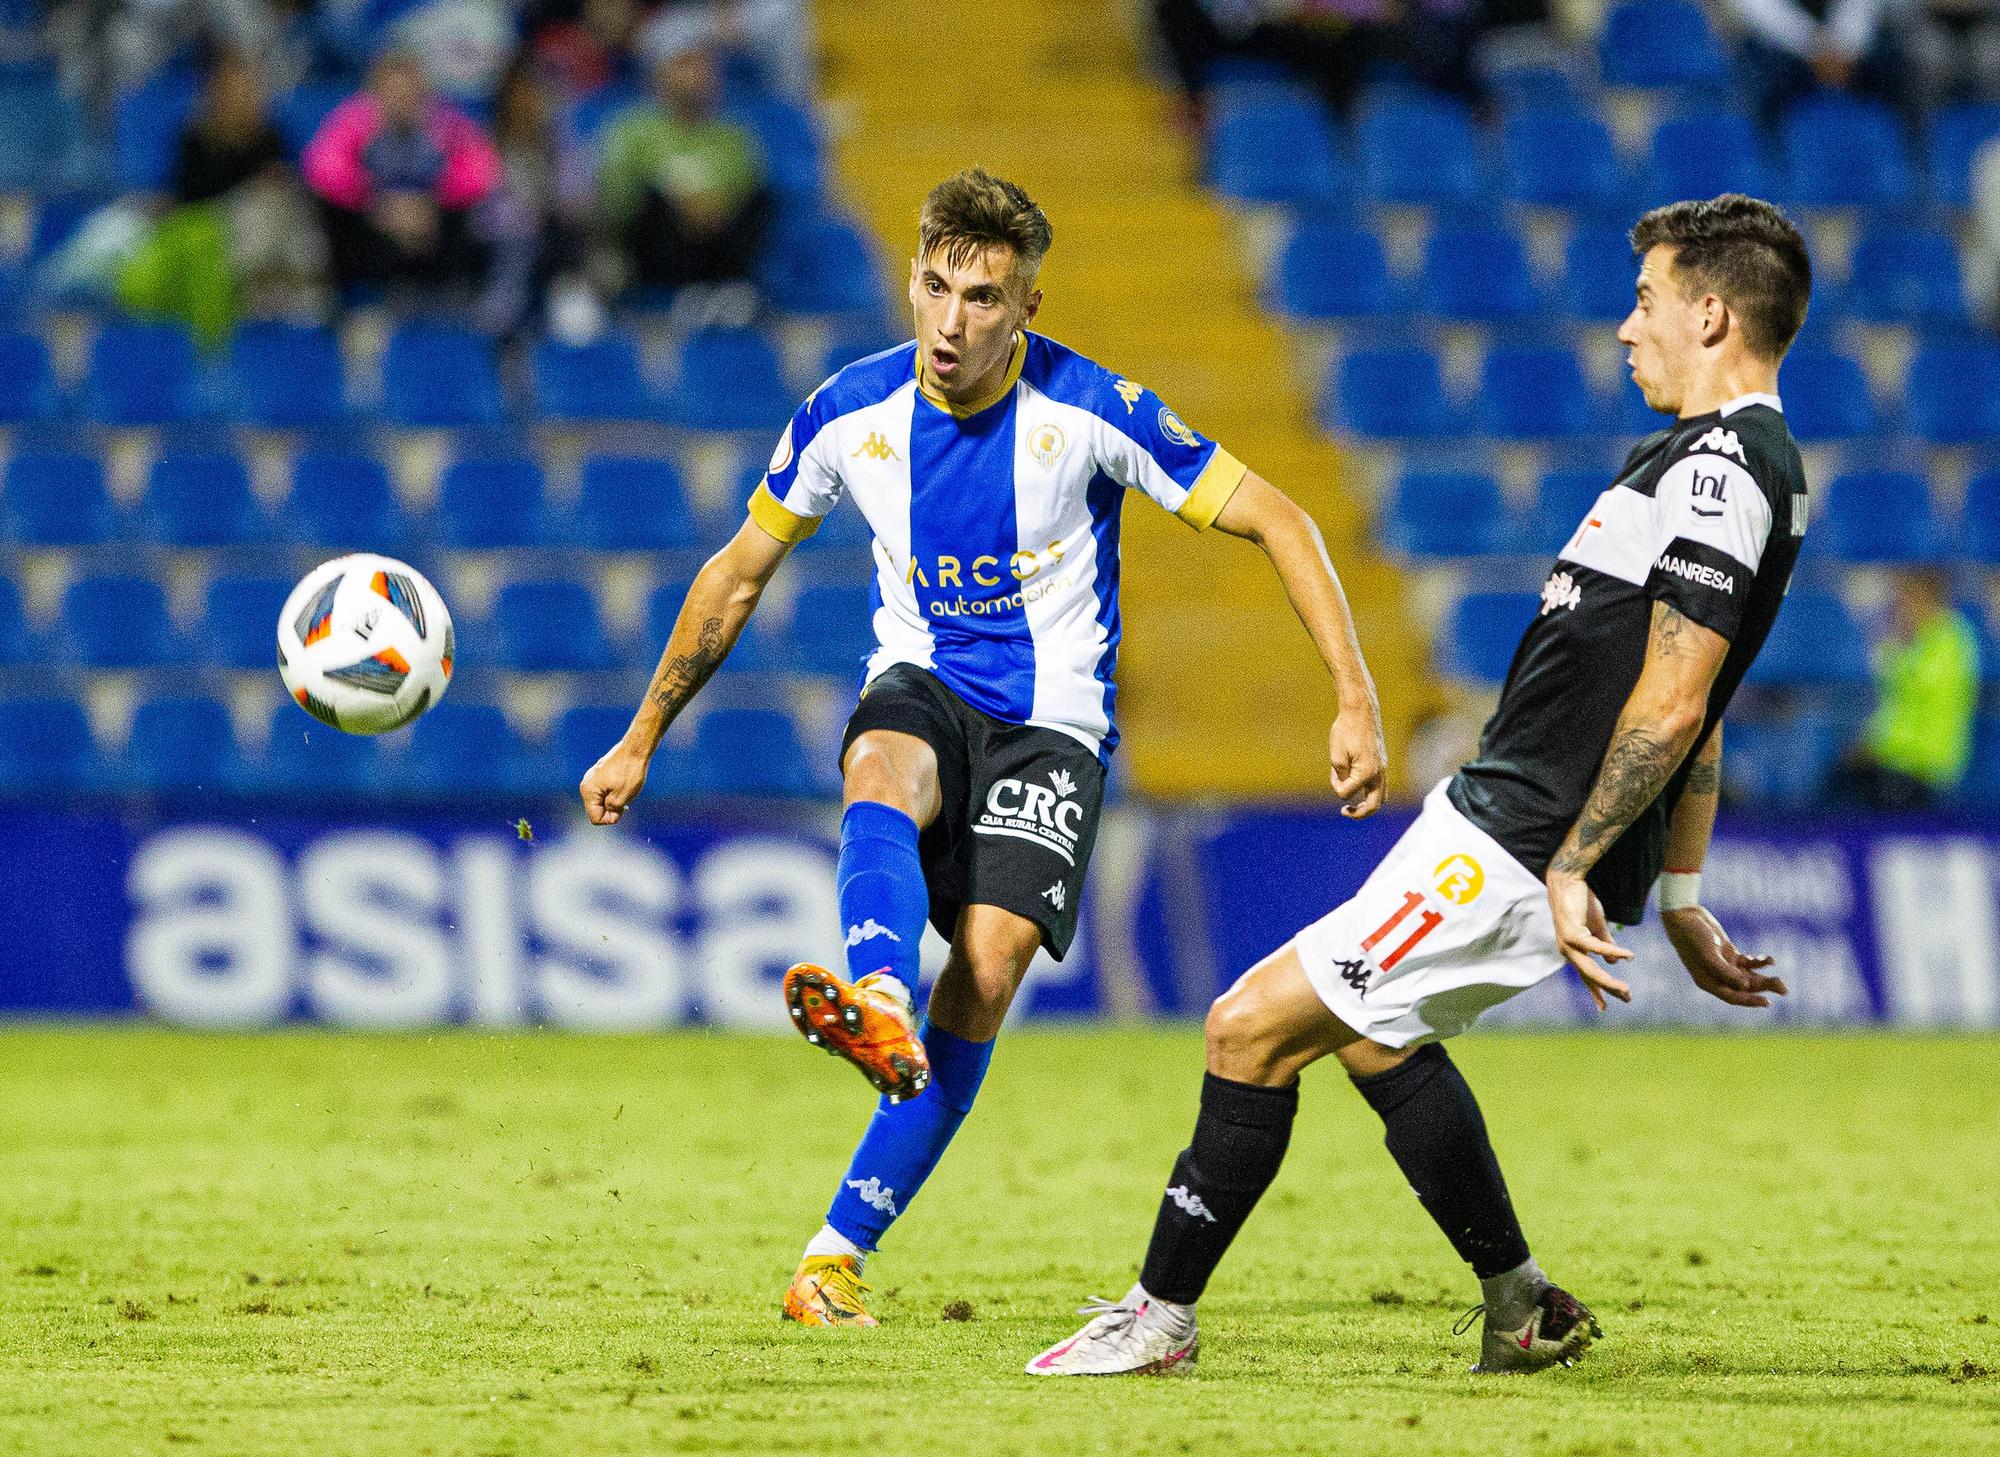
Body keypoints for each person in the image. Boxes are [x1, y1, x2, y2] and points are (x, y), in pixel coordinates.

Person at [578, 168, 1388, 1327]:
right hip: (920, 684)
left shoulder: (1095, 411)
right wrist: (640, 733)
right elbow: (735, 573)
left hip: (1052, 728)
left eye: (983, 298)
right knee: (879, 765)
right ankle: (875, 991)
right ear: (910, 278)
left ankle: (830, 1257)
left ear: (1027, 310)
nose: (951, 321)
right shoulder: (843, 413)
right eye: (935, 285)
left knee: (991, 965)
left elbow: (1281, 518)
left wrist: (1351, 697)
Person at [1026, 193, 1813, 1378]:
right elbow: (1690, 705)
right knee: (1374, 1040)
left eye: (1644, 300)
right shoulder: (1707, 463)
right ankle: (1521, 1303)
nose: (1621, 327)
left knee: (1246, 1029)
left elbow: (1675, 697)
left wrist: (1566, 862)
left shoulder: (1721, 471)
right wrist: (1685, 887)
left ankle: (1157, 1316)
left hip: (1515, 837)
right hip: (1499, 818)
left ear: (1710, 314)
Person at [302, 50, 501, 304]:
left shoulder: (445, 122)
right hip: (373, 226)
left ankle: (455, 304)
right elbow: (323, 167)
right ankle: (357, 305)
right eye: (393, 91)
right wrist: (377, 203)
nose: (401, 99)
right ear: (376, 92)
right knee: (330, 212)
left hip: (433, 224)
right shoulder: (355, 120)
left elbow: (481, 167)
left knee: (481, 215)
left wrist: (432, 204)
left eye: (409, 92)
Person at [594, 13, 771, 298]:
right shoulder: (631, 131)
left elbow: (743, 196)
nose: (699, 72)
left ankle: (729, 294)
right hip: (655, 256)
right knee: (652, 202)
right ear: (659, 72)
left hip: (720, 249)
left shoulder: (733, 137)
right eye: (686, 62)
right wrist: (678, 201)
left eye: (704, 61)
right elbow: (617, 202)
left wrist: (710, 208)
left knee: (762, 200)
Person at [1830, 565, 1981, 809]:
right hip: (1893, 760)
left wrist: (1875, 748)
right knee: (1837, 780)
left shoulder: (1951, 636)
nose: (1901, 606)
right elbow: (1891, 705)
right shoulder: (1907, 640)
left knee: (1859, 792)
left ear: (1929, 598)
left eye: (1907, 597)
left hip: (1926, 766)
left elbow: (1920, 694)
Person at [1726, 0, 1912, 126]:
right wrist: (1811, 43)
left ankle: (1914, 168)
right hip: (1787, 50)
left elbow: (1860, 5)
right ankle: (1773, 171)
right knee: (1762, 80)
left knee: (1898, 69)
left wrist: (1843, 44)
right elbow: (1756, 5)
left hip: (1848, 51)